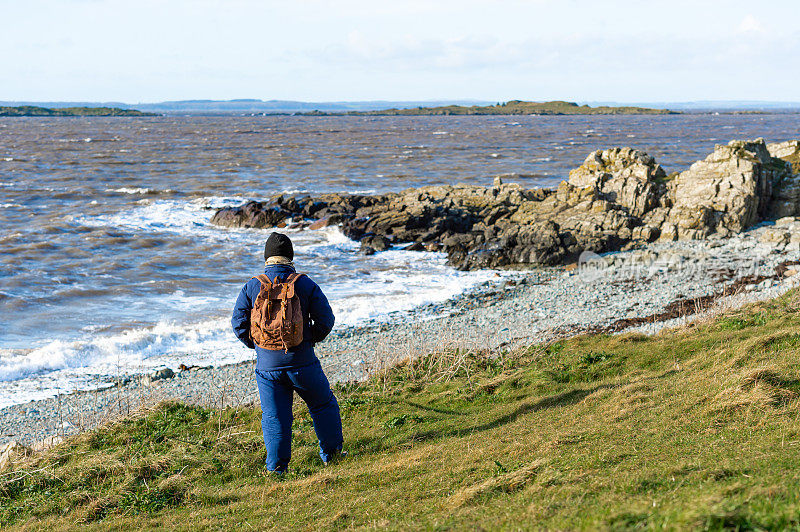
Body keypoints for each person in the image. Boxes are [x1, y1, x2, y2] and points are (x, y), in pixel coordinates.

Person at [231, 232, 343, 473]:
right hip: (303, 362)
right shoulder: (304, 283)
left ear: (267, 258)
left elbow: (238, 324)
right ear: (290, 257)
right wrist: (307, 339)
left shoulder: (252, 285)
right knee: (323, 405)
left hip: (268, 369)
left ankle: (277, 469)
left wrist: (258, 346)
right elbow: (326, 319)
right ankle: (332, 456)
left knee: (275, 418)